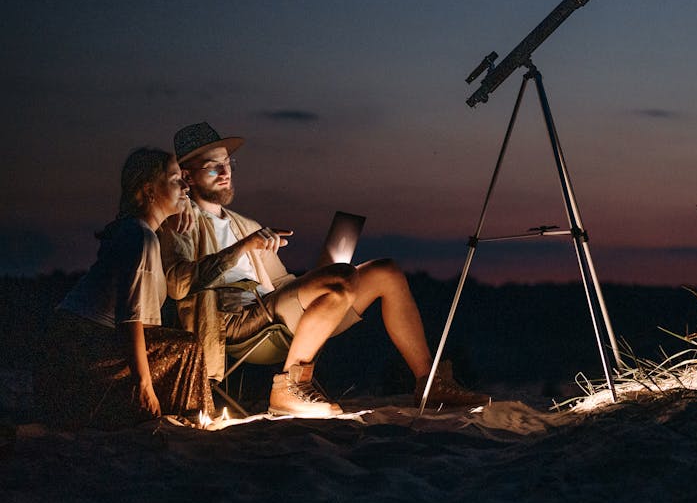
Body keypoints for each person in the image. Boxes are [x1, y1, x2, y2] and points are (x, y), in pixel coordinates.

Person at [159, 121, 486, 417]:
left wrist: (318, 278)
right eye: (212, 166)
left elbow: (280, 284)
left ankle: (429, 385)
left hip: (273, 310)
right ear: (187, 177)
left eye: (227, 163)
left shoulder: (246, 225)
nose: (225, 171)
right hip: (233, 321)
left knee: (386, 271)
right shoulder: (181, 223)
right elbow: (177, 284)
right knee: (341, 279)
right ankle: (287, 387)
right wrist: (243, 248)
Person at [34, 148, 214, 429]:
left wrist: (184, 204)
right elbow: (130, 320)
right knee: (186, 348)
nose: (186, 185)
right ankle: (185, 420)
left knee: (177, 345)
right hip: (77, 353)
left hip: (66, 349)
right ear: (150, 189)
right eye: (176, 179)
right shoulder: (140, 238)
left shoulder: (134, 229)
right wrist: (144, 384)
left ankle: (180, 417)